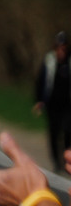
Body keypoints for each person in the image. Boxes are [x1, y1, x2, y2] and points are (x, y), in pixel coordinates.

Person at [36, 33, 71, 171]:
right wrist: (39, 100)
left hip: (68, 104)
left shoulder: (69, 62)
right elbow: (41, 81)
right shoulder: (49, 61)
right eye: (59, 48)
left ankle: (66, 159)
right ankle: (57, 162)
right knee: (54, 132)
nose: (61, 51)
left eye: (64, 48)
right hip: (52, 104)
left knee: (68, 131)